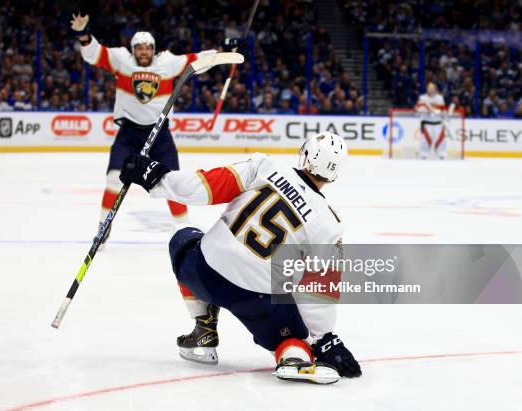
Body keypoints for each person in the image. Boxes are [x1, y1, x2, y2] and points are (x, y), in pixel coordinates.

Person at [119, 132, 362, 383]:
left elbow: (205, 186)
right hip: (253, 297)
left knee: (182, 237)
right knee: (293, 339)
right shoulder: (330, 225)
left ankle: (204, 327)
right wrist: (324, 338)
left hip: (204, 270)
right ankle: (293, 358)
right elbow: (318, 290)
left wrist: (156, 177)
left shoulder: (265, 166)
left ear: (306, 154)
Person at [70, 13, 244, 245]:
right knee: (114, 180)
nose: (143, 52)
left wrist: (223, 52)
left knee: (173, 183)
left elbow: (198, 61)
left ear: (154, 49)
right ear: (133, 49)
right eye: (139, 48)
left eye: (147, 48)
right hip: (129, 133)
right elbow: (95, 54)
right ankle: (103, 227)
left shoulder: (168, 63)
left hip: (159, 134)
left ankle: (185, 229)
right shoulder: (122, 60)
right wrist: (83, 34)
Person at [416, 83, 448, 159]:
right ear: (427, 89)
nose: (431, 89)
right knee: (425, 140)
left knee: (440, 139)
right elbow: (419, 110)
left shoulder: (440, 98)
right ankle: (424, 154)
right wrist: (428, 110)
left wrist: (439, 112)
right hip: (427, 123)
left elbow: (443, 110)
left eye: (432, 88)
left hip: (438, 123)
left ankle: (441, 154)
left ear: (435, 89)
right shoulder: (422, 97)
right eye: (429, 88)